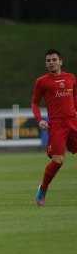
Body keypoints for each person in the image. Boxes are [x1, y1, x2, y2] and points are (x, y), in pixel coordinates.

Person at [31, 49, 77, 206]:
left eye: (54, 59)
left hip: (73, 122)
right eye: (48, 60)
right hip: (57, 125)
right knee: (58, 161)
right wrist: (39, 119)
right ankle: (43, 188)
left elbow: (75, 97)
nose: (51, 62)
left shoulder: (71, 78)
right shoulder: (42, 82)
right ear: (46, 64)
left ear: (60, 61)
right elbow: (35, 103)